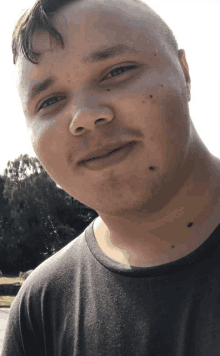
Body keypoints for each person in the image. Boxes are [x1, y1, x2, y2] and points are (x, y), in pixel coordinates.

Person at [3, 0, 220, 354]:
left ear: (184, 72)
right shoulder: (42, 308)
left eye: (116, 72)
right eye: (50, 100)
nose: (85, 117)